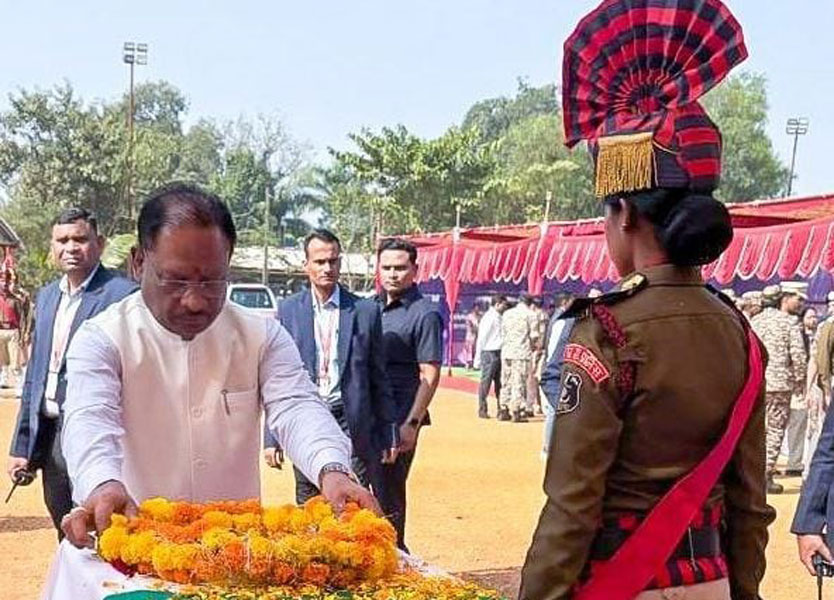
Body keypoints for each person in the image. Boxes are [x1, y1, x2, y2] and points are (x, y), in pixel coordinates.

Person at [521, 2, 774, 598]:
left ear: (624, 213)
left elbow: (571, 510)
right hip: (710, 581)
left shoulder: (605, 330)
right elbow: (750, 504)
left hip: (619, 583)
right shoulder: (740, 332)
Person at [59, 183, 375, 549]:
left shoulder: (261, 335)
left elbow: (297, 406)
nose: (195, 301)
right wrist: (101, 483)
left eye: (212, 281)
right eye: (175, 280)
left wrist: (332, 468)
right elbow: (89, 419)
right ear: (138, 262)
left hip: (237, 553)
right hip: (134, 545)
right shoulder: (102, 338)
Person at [7, 208, 137, 539]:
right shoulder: (48, 296)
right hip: (52, 437)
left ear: (100, 243)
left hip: (96, 432)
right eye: (62, 240)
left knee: (106, 530)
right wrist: (22, 446)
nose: (71, 247)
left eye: (80, 239)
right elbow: (36, 373)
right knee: (65, 528)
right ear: (52, 247)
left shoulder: (123, 296)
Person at [262, 228, 398, 504]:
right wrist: (271, 437)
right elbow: (275, 376)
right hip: (306, 417)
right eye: (320, 262)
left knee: (350, 500)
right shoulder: (289, 309)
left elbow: (378, 377)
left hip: (353, 422)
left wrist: (389, 430)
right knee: (309, 499)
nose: (327, 268)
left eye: (333, 261)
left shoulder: (364, 310)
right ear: (306, 265)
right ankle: (312, 550)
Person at [375, 237, 442, 552]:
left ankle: (397, 562)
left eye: (400, 268)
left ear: (415, 270)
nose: (392, 274)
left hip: (400, 417)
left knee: (389, 497)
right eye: (386, 267)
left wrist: (411, 424)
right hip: (366, 415)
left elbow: (429, 373)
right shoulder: (368, 307)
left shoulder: (424, 313)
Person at [752, 283, 807, 494]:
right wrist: (800, 380)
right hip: (780, 384)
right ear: (785, 298)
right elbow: (798, 355)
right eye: (799, 299)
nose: (801, 304)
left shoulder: (756, 320)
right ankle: (765, 475)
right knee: (775, 430)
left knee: (756, 429)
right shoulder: (790, 322)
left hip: (756, 382)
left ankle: (751, 473)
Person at [784, 305, 818, 477]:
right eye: (810, 316)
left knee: (801, 423)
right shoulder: (796, 333)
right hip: (793, 384)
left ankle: (795, 462)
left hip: (807, 385)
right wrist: (799, 381)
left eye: (815, 317)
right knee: (791, 423)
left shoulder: (817, 335)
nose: (813, 320)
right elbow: (797, 359)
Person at [500, 294, 539, 423]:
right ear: (530, 303)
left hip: (506, 351)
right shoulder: (531, 315)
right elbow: (534, 336)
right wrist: (534, 347)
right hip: (521, 352)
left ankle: (503, 408)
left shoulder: (507, 314)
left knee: (506, 380)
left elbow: (503, 332)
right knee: (519, 381)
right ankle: (517, 410)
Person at [473, 294, 508, 419]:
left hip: (499, 353)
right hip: (489, 353)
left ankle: (501, 409)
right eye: (504, 304)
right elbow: (481, 339)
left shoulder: (499, 317)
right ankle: (482, 409)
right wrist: (477, 359)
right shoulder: (488, 318)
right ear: (497, 304)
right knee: (485, 383)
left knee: (500, 383)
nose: (505, 307)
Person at [0, 266, 22, 388]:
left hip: (13, 331)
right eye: (2, 281)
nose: (4, 284)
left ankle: (19, 383)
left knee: (15, 360)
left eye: (6, 282)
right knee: (2, 359)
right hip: (0, 330)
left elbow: (22, 317)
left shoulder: (15, 299)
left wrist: (23, 332)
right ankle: (3, 380)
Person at [526, 296, 548, 416]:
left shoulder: (534, 316)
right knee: (539, 378)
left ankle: (532, 406)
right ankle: (539, 405)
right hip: (543, 350)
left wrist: (536, 349)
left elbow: (536, 337)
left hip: (535, 350)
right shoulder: (545, 315)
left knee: (532, 380)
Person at [462, 304, 482, 370]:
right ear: (473, 309)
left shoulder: (480, 316)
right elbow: (469, 326)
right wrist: (473, 328)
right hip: (470, 336)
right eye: (476, 308)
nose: (477, 310)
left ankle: (474, 365)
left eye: (478, 308)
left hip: (478, 336)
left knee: (476, 350)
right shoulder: (469, 316)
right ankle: (467, 364)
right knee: (469, 350)